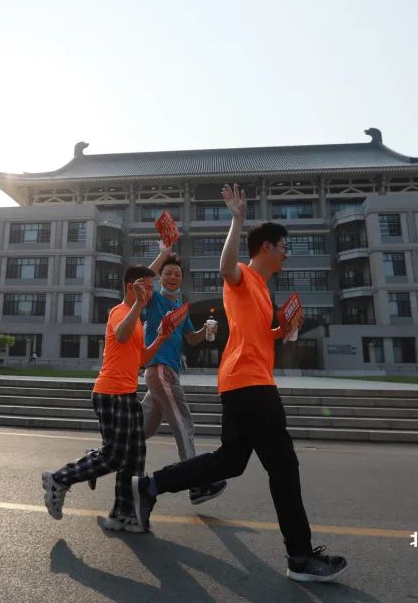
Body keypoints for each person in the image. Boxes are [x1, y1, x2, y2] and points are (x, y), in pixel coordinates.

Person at [130, 184, 350, 583]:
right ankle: (300, 558)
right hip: (251, 385)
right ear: (265, 247)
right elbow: (225, 266)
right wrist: (237, 219)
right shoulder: (243, 276)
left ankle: (150, 486)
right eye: (283, 247)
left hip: (242, 383)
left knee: (230, 461)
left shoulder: (263, 291)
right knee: (283, 466)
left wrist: (284, 330)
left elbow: (261, 335)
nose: (286, 254)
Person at [41, 266, 172, 532]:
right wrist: (138, 304)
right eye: (147, 287)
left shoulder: (137, 318)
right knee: (114, 456)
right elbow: (121, 335)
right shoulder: (119, 312)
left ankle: (122, 513)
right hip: (111, 393)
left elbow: (142, 359)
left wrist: (161, 336)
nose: (150, 293)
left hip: (128, 394)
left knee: (135, 457)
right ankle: (60, 478)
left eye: (151, 288)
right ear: (131, 287)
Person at [139, 242, 227, 504]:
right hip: (161, 370)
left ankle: (102, 457)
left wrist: (206, 330)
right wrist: (164, 254)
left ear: (182, 279)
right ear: (160, 277)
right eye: (168, 273)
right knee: (184, 425)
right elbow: (143, 280)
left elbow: (192, 338)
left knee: (140, 430)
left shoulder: (181, 309)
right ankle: (196, 485)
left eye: (177, 274)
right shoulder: (154, 300)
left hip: (164, 374)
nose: (172, 277)